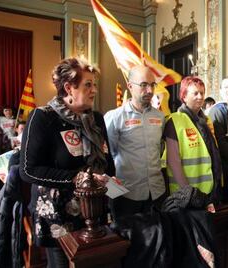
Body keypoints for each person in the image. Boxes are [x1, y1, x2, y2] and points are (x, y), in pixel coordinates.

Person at [19, 57, 115, 267]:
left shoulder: (96, 120)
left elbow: (107, 161)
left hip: (94, 211)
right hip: (59, 215)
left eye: (94, 84)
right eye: (88, 84)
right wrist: (77, 177)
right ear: (69, 87)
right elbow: (28, 170)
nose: (94, 90)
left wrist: (112, 182)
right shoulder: (43, 118)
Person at [104, 65, 166, 221]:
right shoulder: (115, 117)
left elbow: (159, 150)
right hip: (126, 195)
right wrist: (113, 194)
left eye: (152, 85)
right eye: (144, 85)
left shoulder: (160, 117)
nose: (150, 91)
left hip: (157, 192)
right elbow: (107, 157)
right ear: (130, 86)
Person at [164, 76, 222, 211]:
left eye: (202, 92)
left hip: (209, 193)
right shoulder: (174, 120)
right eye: (195, 93)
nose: (200, 97)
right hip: (186, 197)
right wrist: (189, 195)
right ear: (184, 96)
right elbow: (173, 162)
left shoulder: (206, 120)